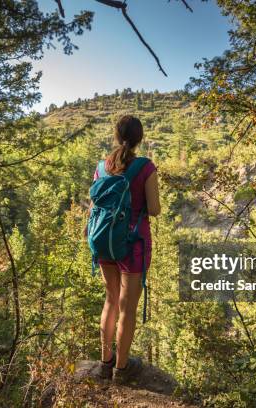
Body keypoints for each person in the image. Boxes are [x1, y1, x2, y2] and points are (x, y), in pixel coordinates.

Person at [92, 115, 161, 384]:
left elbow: (94, 205)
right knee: (127, 308)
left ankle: (104, 363)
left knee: (110, 301)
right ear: (139, 138)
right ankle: (121, 370)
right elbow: (154, 209)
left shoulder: (101, 167)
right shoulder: (145, 167)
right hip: (133, 244)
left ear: (116, 135)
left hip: (104, 240)